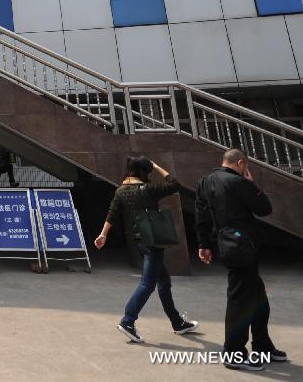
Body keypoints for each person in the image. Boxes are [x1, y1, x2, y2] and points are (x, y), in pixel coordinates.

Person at [195, 148, 286, 371]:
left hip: (227, 244)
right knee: (240, 300)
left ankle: (263, 347)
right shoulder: (239, 182)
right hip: (241, 246)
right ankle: (234, 353)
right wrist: (252, 184)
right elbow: (264, 208)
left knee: (258, 296)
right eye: (246, 166)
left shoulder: (205, 181)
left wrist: (204, 244)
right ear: (241, 163)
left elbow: (201, 215)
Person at [94, 156, 198, 343]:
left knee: (164, 281)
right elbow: (175, 185)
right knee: (148, 284)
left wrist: (103, 234)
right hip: (153, 242)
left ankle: (177, 322)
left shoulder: (121, 191)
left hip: (140, 241)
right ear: (144, 171)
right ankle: (127, 321)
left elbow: (112, 213)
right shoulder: (149, 190)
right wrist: (158, 166)